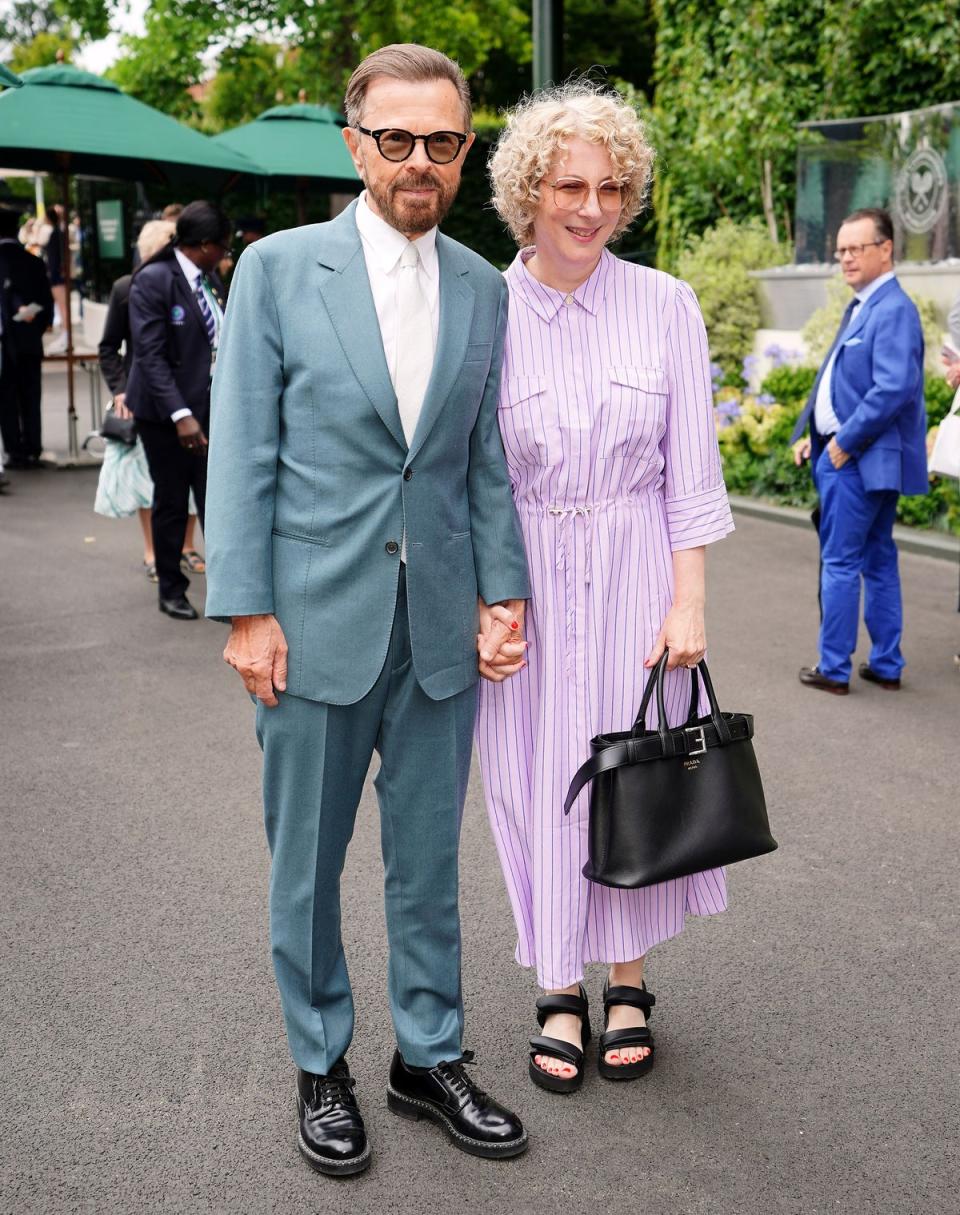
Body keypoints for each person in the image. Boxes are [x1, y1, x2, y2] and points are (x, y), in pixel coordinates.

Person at [204, 43, 531, 1177]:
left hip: (439, 620)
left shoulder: (486, 286)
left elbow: (481, 457)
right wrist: (245, 608)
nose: (418, 162)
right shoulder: (280, 270)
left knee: (426, 859)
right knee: (307, 861)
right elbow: (244, 448)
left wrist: (503, 593)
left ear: (465, 149)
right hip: (311, 619)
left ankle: (427, 1057)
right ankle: (322, 1062)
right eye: (395, 140)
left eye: (441, 142)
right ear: (356, 145)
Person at [477, 83, 735, 1093]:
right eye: (569, 185)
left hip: (635, 570)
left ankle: (627, 978)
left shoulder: (666, 303)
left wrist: (691, 602)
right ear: (527, 192)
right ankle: (557, 986)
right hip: (527, 580)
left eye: (611, 188)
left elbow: (690, 472)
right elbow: (465, 475)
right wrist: (482, 602)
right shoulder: (483, 310)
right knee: (534, 782)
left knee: (635, 776)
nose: (591, 207)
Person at [790, 207, 928, 694]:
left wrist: (842, 443)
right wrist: (817, 434)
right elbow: (846, 384)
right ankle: (886, 664)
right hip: (852, 456)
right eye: (840, 250)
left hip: (857, 460)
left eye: (855, 249)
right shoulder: (869, 304)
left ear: (885, 249)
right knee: (877, 559)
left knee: (843, 562)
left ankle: (833, 668)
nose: (844, 259)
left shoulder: (891, 308)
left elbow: (893, 389)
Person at [126, 201, 229, 620]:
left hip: (209, 411)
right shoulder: (153, 280)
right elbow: (149, 357)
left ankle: (228, 592)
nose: (226, 255)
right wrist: (181, 415)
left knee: (217, 502)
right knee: (171, 502)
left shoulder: (208, 281)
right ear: (203, 245)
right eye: (222, 247)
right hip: (167, 416)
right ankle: (171, 589)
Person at [95, 219, 203, 579]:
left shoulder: (198, 285)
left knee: (184, 486)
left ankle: (185, 547)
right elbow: (109, 347)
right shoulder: (128, 287)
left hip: (189, 398)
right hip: (149, 402)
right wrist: (121, 389)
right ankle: (153, 552)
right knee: (152, 485)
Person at [0, 207, 54, 469]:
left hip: (3, 343)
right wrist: (38, 327)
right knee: (31, 396)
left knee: (6, 397)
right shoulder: (33, 262)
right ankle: (33, 446)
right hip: (29, 339)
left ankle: (14, 449)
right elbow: (47, 303)